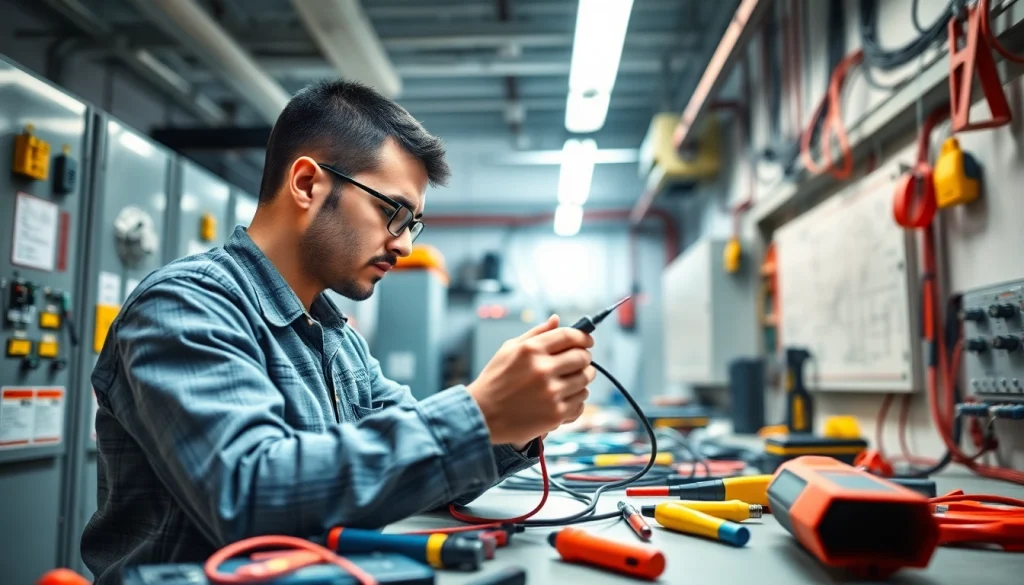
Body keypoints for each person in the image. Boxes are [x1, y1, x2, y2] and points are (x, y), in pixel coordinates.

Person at [81, 79, 595, 583]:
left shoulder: (337, 339)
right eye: (392, 212)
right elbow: (250, 497)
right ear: (307, 184)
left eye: (412, 224)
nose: (404, 245)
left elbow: (419, 467)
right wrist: (481, 413)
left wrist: (514, 425)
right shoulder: (185, 305)